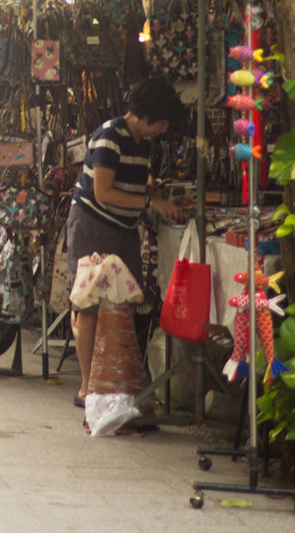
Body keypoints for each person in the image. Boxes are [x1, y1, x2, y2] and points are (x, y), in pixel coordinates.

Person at [67, 76, 188, 404]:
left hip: (123, 229)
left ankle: (112, 379)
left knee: (124, 301)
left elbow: (130, 189)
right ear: (149, 115)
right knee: (89, 305)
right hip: (94, 226)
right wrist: (151, 204)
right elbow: (104, 193)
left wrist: (154, 200)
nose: (163, 130)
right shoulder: (110, 136)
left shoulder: (142, 143)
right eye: (161, 123)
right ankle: (86, 386)